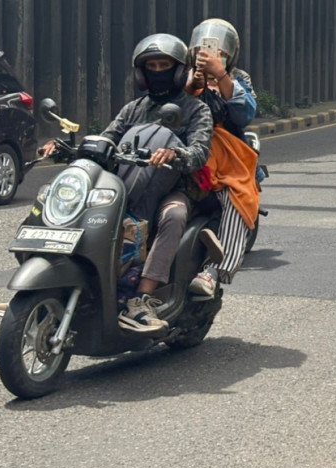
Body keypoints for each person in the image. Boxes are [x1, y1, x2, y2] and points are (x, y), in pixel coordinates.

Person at [40, 33, 213, 331]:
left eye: (164, 65)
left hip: (173, 188)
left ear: (179, 70)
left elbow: (200, 151)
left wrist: (175, 153)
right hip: (124, 184)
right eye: (152, 66)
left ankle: (141, 298)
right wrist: (70, 148)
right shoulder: (134, 108)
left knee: (175, 216)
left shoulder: (196, 109)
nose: (157, 71)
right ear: (141, 72)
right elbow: (109, 137)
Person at [185, 18, 263, 297]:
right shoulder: (183, 74)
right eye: (204, 49)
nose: (210, 55)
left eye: (220, 52)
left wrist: (222, 77)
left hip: (227, 156)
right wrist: (192, 84)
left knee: (237, 196)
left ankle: (214, 271)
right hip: (186, 151)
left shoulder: (238, 79)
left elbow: (245, 113)